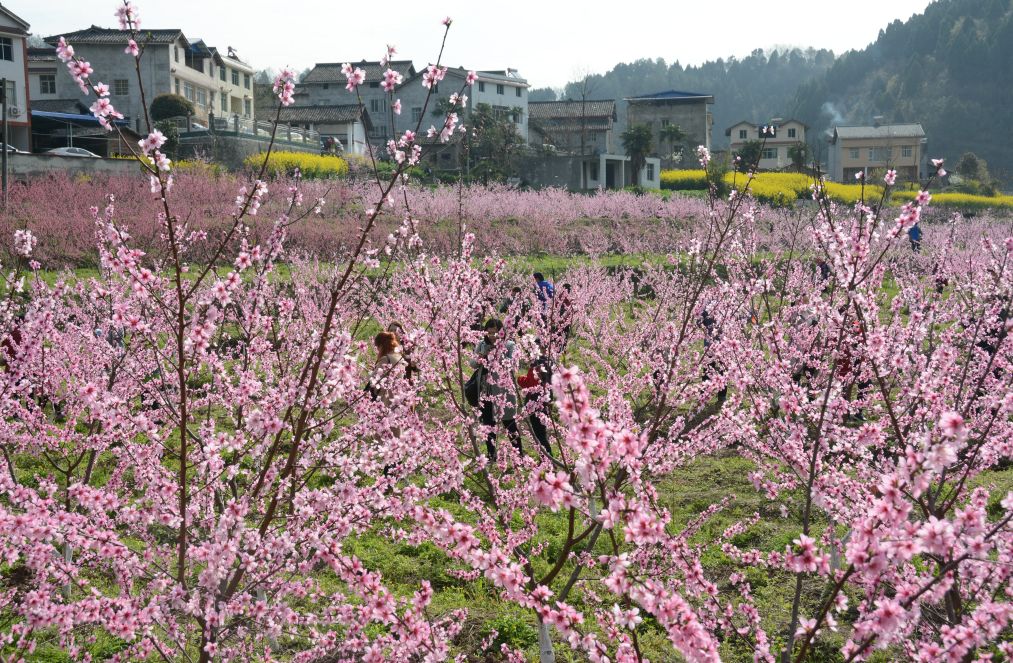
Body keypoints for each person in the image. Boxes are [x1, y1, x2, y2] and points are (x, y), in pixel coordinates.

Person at [471, 319, 520, 460]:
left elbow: (512, 364)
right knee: (488, 424)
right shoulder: (481, 344)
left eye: (496, 333)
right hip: (485, 390)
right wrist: (482, 356)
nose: (492, 335)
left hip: (503, 391)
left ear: (502, 332)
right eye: (490, 332)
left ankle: (519, 455)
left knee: (509, 423)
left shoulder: (509, 345)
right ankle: (491, 455)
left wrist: (498, 354)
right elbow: (473, 364)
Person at [518, 354, 553, 456]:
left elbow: (531, 383)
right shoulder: (548, 363)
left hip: (535, 404)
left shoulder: (537, 366)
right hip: (544, 402)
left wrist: (520, 379)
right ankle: (546, 457)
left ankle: (547, 457)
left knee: (539, 434)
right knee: (541, 432)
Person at [369, 331, 406, 405]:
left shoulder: (386, 359)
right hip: (397, 398)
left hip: (384, 400)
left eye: (378, 347)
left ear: (382, 345)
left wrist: (370, 373)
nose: (378, 350)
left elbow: (374, 380)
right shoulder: (399, 357)